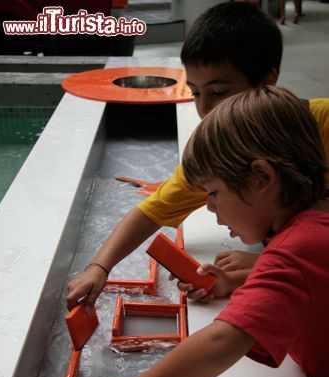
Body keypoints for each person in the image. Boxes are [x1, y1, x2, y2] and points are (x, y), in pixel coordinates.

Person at [95, 86, 329, 377]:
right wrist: (242, 279)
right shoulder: (314, 224)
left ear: (261, 178)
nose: (210, 208)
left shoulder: (297, 249)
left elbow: (221, 344)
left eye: (214, 193)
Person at [66, 2, 329, 309]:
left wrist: (272, 264)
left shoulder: (321, 123)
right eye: (195, 92)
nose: (204, 109)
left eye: (219, 92)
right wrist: (99, 266)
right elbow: (151, 211)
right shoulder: (221, 154)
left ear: (266, 81)